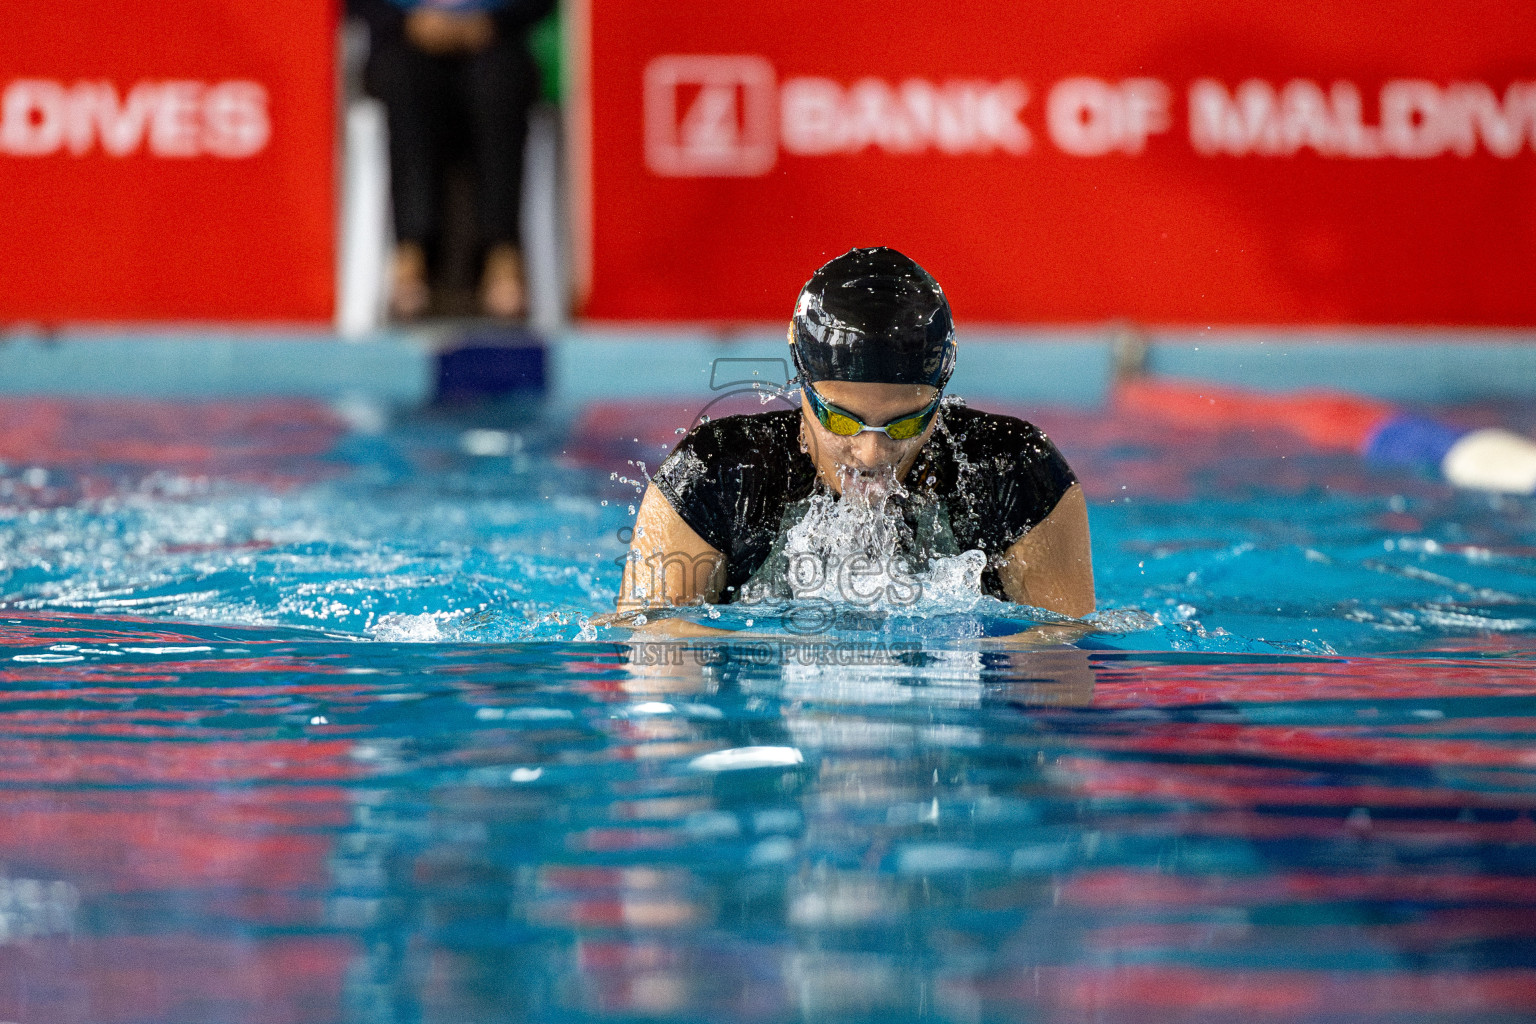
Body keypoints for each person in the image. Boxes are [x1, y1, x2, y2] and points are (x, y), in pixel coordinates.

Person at [615, 246, 1095, 640]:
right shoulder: (714, 472)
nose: (871, 453)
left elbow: (1067, 654)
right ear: (802, 385)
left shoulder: (1011, 470)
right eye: (842, 421)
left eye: (905, 424)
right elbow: (646, 643)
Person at [350, 0, 554, 320]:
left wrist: (492, 23)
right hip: (403, 44)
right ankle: (410, 253)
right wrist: (408, 23)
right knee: (405, 82)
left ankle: (502, 254)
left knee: (499, 84)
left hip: (496, 42)